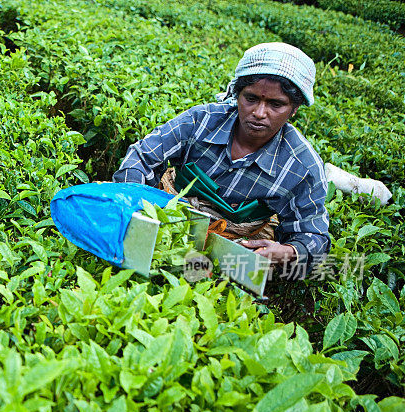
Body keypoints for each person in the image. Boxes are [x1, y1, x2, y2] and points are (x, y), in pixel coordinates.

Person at [112, 42, 329, 280]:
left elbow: (315, 237)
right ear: (237, 95)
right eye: (251, 98)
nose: (259, 112)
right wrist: (140, 209)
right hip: (171, 218)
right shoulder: (201, 121)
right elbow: (142, 157)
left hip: (236, 246)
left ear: (294, 109)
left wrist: (287, 251)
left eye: (276, 104)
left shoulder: (302, 166)